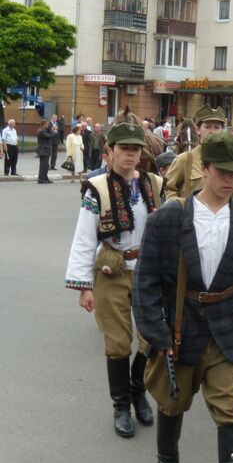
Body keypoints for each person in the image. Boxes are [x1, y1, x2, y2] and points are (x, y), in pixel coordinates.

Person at [132, 132, 233, 463]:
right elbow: (146, 282)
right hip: (179, 325)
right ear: (203, 169)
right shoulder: (168, 218)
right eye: (222, 173)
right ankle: (167, 461)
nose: (229, 181)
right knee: (174, 402)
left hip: (228, 328)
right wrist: (156, 334)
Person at [64, 122, 165, 438]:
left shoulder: (155, 184)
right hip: (112, 271)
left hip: (147, 271)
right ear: (109, 153)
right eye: (124, 148)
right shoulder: (97, 188)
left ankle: (138, 389)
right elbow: (84, 238)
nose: (131, 154)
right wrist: (83, 286)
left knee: (151, 338)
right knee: (118, 342)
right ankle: (121, 405)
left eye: (135, 149)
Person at [165, 104, 233, 200]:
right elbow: (168, 188)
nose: (212, 132)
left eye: (217, 127)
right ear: (197, 130)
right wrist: (184, 206)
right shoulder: (184, 159)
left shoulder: (230, 161)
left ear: (222, 130)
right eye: (207, 127)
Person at [36, 119, 54, 184]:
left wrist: (51, 131)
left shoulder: (43, 130)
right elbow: (48, 136)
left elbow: (48, 135)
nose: (48, 125)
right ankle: (41, 179)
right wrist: (52, 132)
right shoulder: (41, 131)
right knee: (43, 165)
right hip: (43, 150)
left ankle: (45, 178)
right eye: (47, 124)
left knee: (46, 165)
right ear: (44, 124)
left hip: (46, 150)